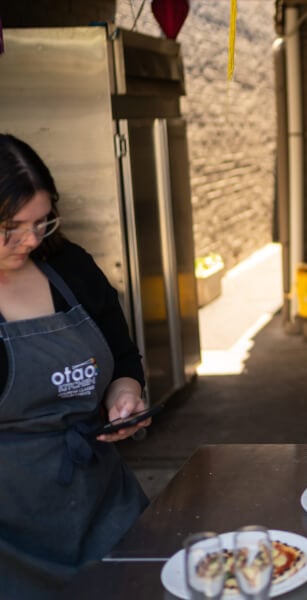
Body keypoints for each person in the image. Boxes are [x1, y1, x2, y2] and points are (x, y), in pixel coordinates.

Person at [0, 134, 150, 597]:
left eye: (41, 222)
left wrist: (124, 393)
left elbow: (123, 356)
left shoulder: (69, 266)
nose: (30, 239)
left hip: (105, 505)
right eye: (11, 227)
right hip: (13, 536)